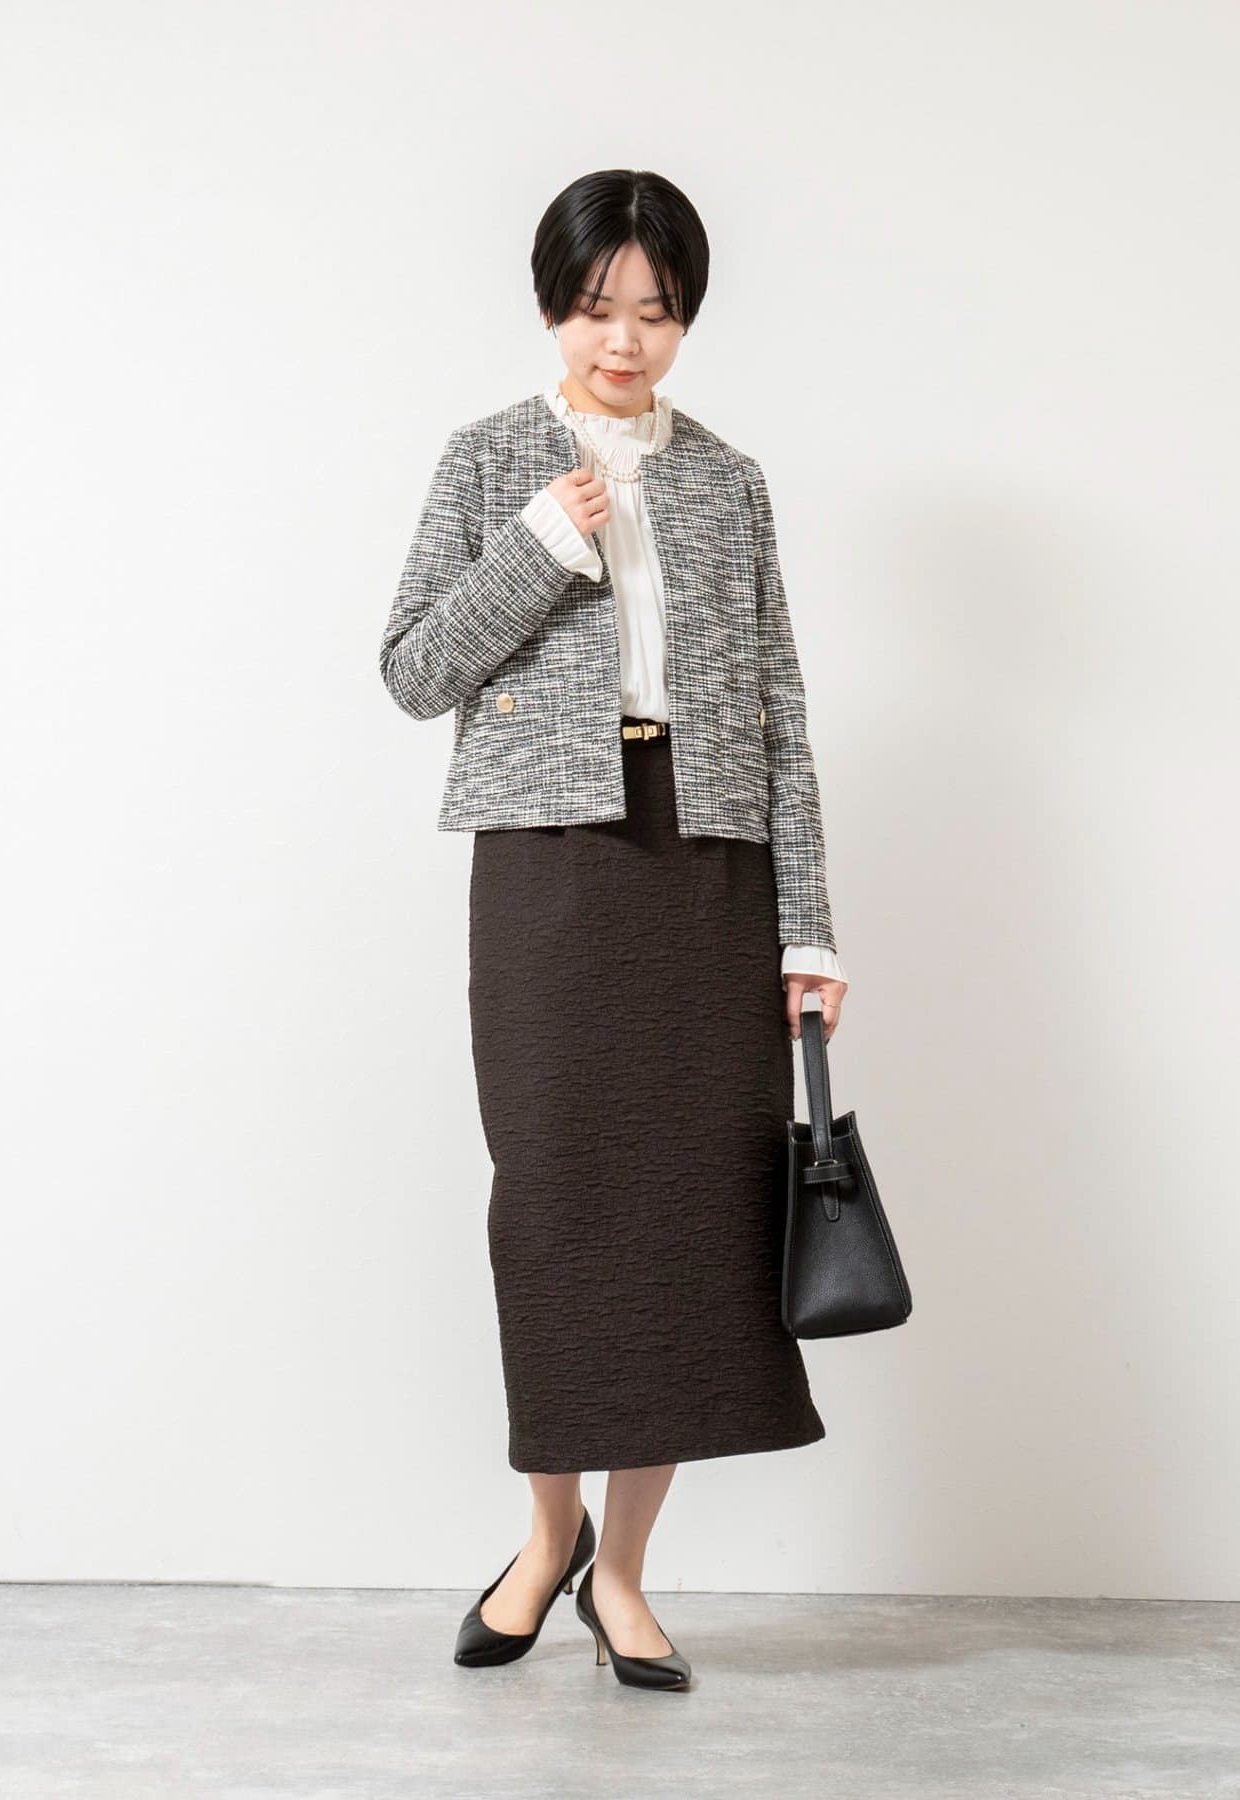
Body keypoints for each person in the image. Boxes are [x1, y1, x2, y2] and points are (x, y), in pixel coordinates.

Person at [377, 168, 849, 1692]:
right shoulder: (486, 459)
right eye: (596, 310)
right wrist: (539, 543)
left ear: (687, 319)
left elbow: (779, 711)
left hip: (705, 871)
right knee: (557, 1203)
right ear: (551, 308)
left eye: (654, 312)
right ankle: (546, 1538)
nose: (624, 341)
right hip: (548, 867)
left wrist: (808, 931)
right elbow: (412, 673)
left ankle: (626, 1576)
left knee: (691, 1215)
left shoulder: (730, 482)